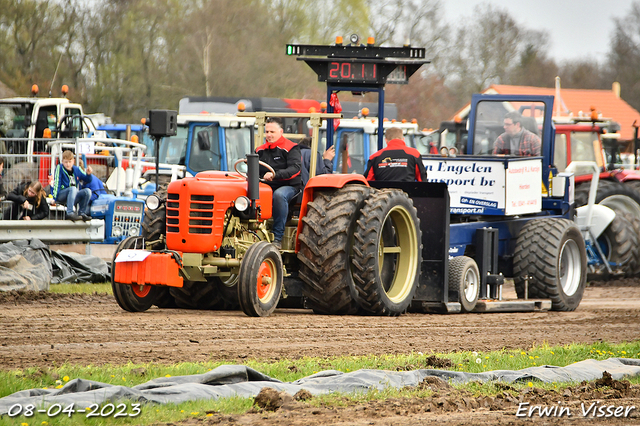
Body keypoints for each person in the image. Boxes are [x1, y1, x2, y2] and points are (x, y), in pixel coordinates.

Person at [256, 117, 301, 249]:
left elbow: (295, 169)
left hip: (289, 186)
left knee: (279, 195)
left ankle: (277, 237)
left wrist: (275, 175)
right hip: (267, 185)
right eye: (267, 131)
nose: (269, 135)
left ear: (280, 132)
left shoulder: (291, 148)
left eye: (272, 132)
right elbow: (255, 169)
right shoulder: (260, 150)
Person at [52, 150, 94, 221]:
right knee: (73, 188)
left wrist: (89, 174)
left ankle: (82, 213)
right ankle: (70, 212)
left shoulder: (77, 169)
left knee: (87, 191)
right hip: (62, 194)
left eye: (69, 162)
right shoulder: (60, 168)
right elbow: (57, 183)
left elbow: (87, 179)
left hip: (73, 195)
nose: (68, 164)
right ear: (62, 161)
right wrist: (54, 198)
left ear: (73, 161)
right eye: (65, 162)